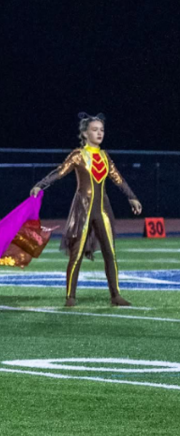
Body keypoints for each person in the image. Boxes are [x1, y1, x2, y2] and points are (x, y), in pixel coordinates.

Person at [30, 113, 141, 307]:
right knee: (77, 252)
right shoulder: (78, 155)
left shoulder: (105, 156)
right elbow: (60, 171)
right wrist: (41, 184)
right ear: (84, 133)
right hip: (83, 209)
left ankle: (116, 295)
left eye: (102, 130)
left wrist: (132, 197)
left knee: (110, 252)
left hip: (103, 210)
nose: (99, 133)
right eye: (95, 130)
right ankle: (70, 297)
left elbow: (118, 179)